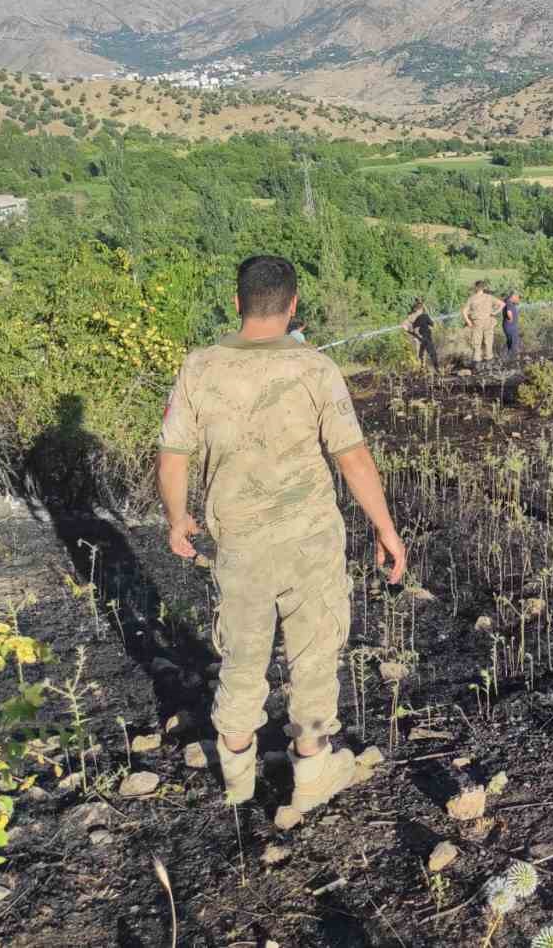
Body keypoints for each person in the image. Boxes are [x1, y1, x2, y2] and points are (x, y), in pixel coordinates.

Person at [157, 254, 408, 825]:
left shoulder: (199, 367)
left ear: (236, 302)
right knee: (314, 655)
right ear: (293, 305)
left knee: (241, 658)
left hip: (239, 546)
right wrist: (386, 529)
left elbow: (173, 454)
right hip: (310, 544)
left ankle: (239, 778)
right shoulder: (315, 368)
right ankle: (311, 774)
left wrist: (178, 518)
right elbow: (353, 458)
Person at [461, 280, 503, 368]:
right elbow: (502, 304)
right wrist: (494, 313)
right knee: (488, 341)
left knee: (477, 342)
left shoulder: (472, 298)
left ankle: (477, 363)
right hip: (488, 321)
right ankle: (489, 361)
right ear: (483, 288)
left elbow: (464, 312)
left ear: (476, 288)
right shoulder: (489, 297)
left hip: (477, 322)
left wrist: (468, 322)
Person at [401, 297, 438, 370]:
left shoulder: (423, 314)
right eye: (419, 304)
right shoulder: (411, 316)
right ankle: (420, 368)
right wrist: (409, 330)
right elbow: (404, 325)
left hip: (423, 337)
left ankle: (423, 368)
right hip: (416, 338)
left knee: (425, 353)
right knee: (419, 354)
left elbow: (432, 324)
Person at [501, 289, 523, 360]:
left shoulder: (508, 302)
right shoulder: (509, 303)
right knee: (514, 343)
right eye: (518, 298)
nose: (519, 300)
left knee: (510, 342)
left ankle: (506, 357)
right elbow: (509, 312)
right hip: (511, 326)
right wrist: (510, 318)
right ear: (513, 296)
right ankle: (512, 359)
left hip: (509, 326)